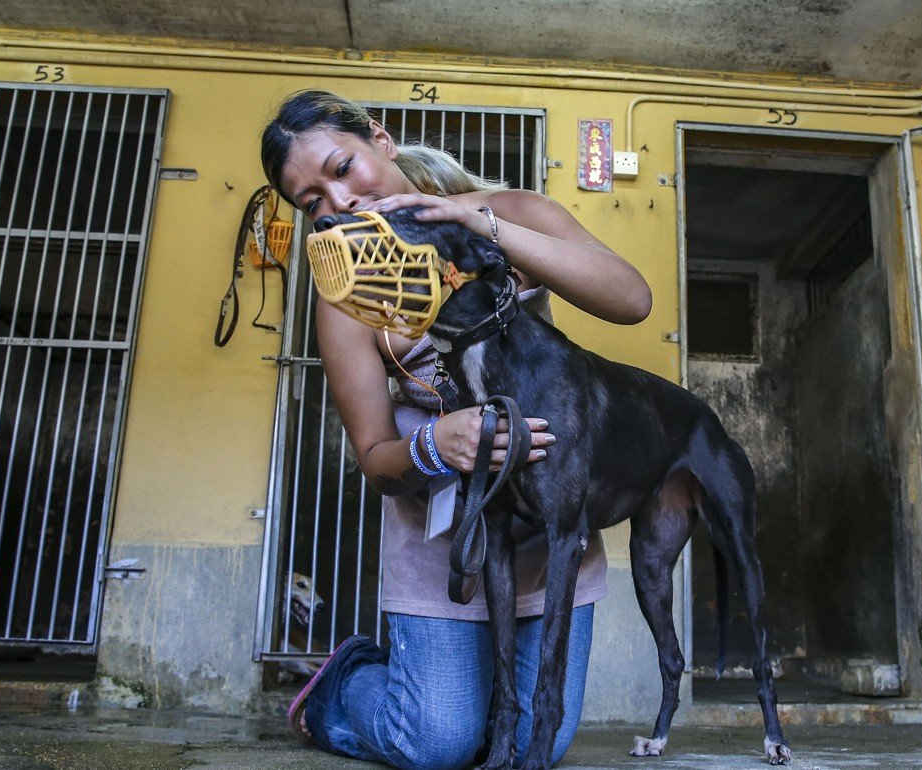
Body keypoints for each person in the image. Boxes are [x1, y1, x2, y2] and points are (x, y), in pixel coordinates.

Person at [260, 90, 651, 770]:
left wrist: (481, 225)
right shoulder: (348, 296)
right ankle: (342, 687)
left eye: (342, 167)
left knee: (541, 743)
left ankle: (461, 696)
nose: (339, 201)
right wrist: (432, 447)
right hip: (444, 541)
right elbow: (376, 460)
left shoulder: (512, 213)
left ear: (379, 139)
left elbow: (632, 299)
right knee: (439, 743)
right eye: (312, 200)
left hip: (545, 530)